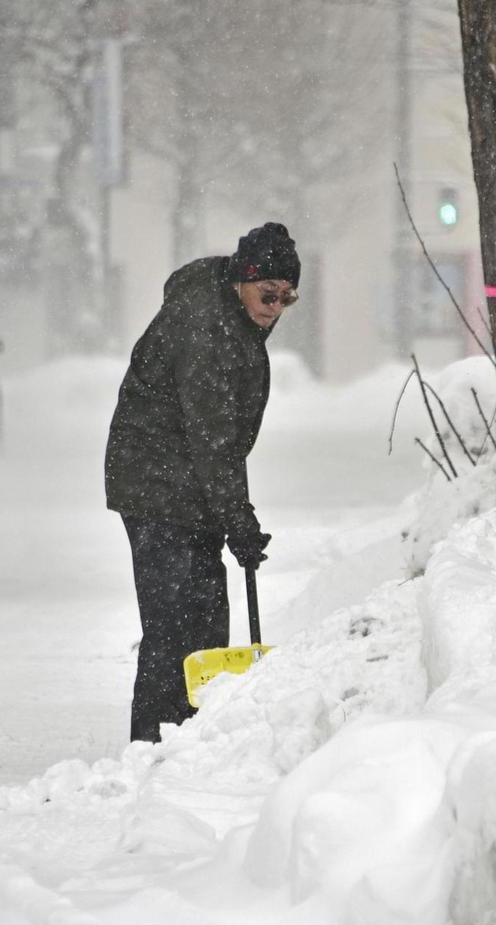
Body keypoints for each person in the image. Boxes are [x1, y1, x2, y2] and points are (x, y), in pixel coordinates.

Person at [104, 222, 301, 744]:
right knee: (173, 624)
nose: (275, 306)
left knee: (207, 615)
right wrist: (239, 521)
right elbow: (212, 437)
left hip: (187, 482)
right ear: (242, 279)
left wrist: (232, 518)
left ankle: (192, 731)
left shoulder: (233, 314)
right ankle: (152, 742)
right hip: (156, 482)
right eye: (268, 294)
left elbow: (218, 444)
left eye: (287, 297)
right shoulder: (207, 328)